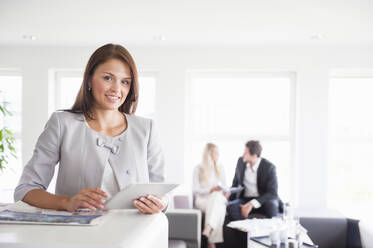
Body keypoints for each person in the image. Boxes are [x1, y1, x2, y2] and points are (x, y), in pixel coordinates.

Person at [14, 43, 168, 214]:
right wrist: (67, 202)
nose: (117, 89)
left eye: (125, 82)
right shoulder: (62, 123)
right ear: (89, 79)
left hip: (135, 234)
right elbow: (25, 190)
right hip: (79, 235)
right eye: (107, 78)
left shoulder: (146, 129)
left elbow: (162, 192)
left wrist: (162, 201)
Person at [227, 140, 280, 221]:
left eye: (246, 153)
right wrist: (229, 194)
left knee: (271, 206)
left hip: (262, 200)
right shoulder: (240, 162)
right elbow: (235, 183)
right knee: (231, 207)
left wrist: (252, 204)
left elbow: (272, 192)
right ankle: (245, 231)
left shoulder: (269, 167)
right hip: (245, 199)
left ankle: (265, 232)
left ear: (254, 155)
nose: (243, 155)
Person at [193, 143, 229, 248]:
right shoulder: (198, 168)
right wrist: (210, 190)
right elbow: (196, 189)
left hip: (217, 198)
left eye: (218, 153)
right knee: (219, 207)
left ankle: (207, 232)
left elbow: (224, 186)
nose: (218, 155)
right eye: (216, 153)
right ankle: (210, 240)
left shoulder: (220, 167)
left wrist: (226, 192)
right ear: (209, 154)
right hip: (202, 200)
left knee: (217, 198)